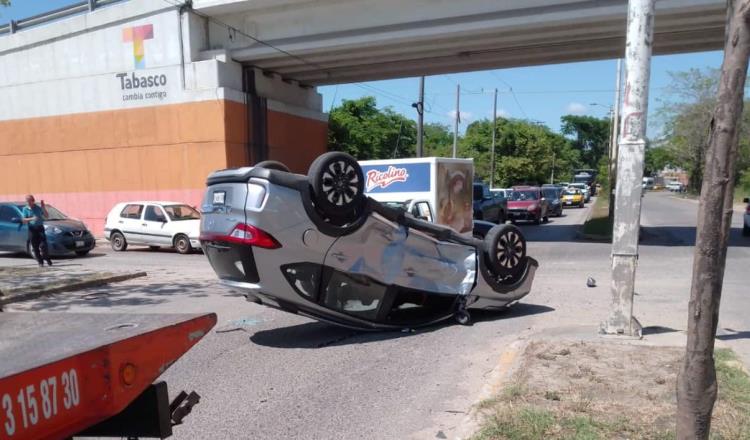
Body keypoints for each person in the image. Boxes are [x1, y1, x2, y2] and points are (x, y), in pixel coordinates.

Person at [21, 194, 52, 267]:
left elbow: (47, 216)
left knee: (43, 245)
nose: (28, 202)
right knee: (35, 247)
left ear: (33, 201)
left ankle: (47, 258)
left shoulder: (37, 208)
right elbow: (23, 220)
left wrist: (43, 207)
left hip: (40, 228)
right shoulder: (25, 209)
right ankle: (40, 262)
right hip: (32, 229)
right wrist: (31, 218)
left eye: (30, 201)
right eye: (27, 201)